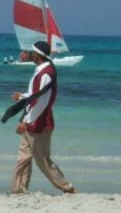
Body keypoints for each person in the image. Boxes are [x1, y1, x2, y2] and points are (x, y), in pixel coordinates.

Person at [9, 40, 75, 195]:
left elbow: (41, 103)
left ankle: (66, 187)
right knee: (23, 159)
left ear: (38, 55)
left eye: (32, 52)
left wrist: (26, 122)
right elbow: (36, 96)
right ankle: (18, 189)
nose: (29, 55)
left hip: (38, 123)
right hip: (33, 120)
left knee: (43, 161)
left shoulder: (45, 74)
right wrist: (23, 97)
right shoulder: (44, 70)